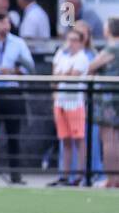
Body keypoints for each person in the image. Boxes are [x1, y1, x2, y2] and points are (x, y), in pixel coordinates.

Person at [0, 12, 35, 183]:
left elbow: (29, 67)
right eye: (1, 22)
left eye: (7, 22)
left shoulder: (19, 43)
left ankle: (15, 174)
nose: (5, 26)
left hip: (12, 92)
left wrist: (14, 71)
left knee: (13, 134)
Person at [51, 28, 91, 186]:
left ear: (81, 42)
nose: (71, 44)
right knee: (65, 140)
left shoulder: (82, 58)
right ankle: (65, 176)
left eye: (75, 40)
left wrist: (63, 75)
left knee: (79, 140)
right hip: (60, 102)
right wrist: (63, 74)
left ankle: (81, 175)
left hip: (75, 103)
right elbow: (55, 75)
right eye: (70, 40)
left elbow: (72, 76)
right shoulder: (63, 56)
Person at [87, 17, 119, 187]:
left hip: (109, 99)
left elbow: (91, 66)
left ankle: (111, 178)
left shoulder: (112, 47)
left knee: (108, 138)